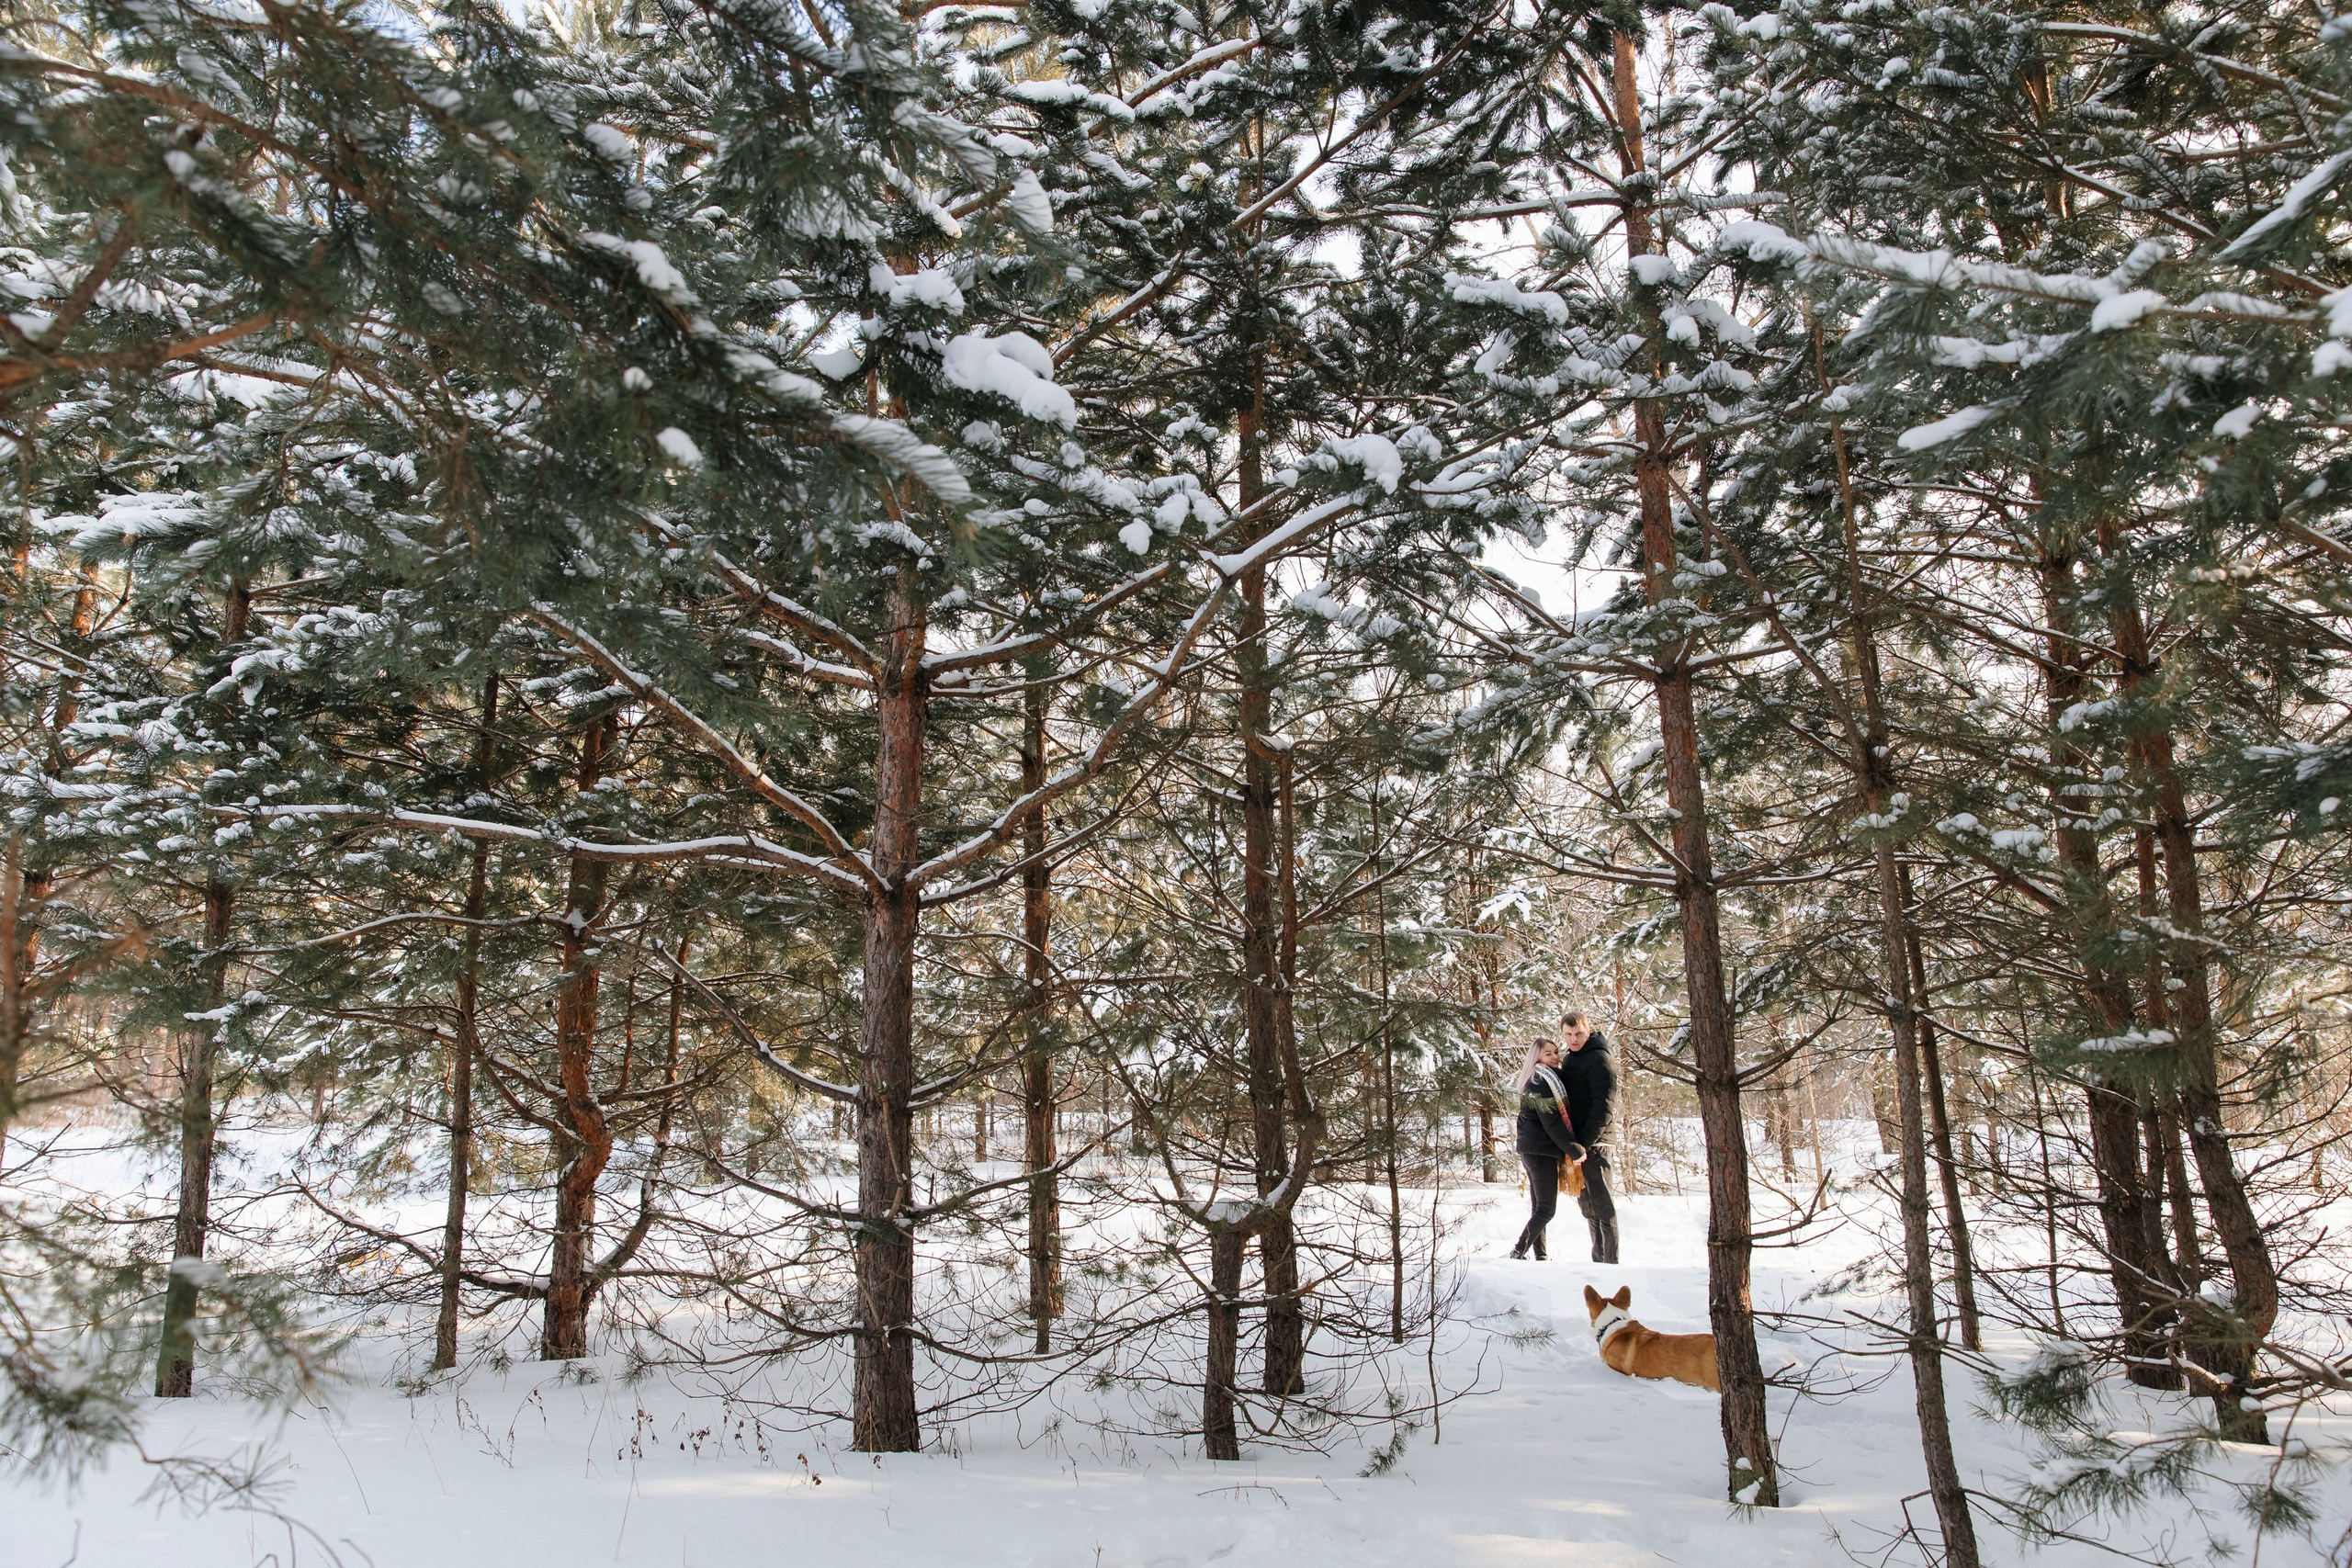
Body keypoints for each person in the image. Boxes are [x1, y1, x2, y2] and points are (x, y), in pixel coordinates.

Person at [1509, 1036, 1584, 1259]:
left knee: (1539, 1208)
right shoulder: (1541, 1082)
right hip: (1540, 1152)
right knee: (1546, 1209)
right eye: (1547, 1053)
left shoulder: (1543, 1079)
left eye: (1555, 1052)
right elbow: (1551, 1122)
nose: (1554, 1057)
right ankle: (1517, 1252)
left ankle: (1540, 1256)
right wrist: (1573, 1149)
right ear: (1537, 1057)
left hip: (1533, 1151)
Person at [1558, 1010, 1618, 1263]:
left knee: (1603, 1205)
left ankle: (1610, 1262)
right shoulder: (1571, 1059)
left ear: (1588, 1030)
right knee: (1588, 1206)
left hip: (1597, 1142)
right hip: (1578, 1146)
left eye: (1579, 1033)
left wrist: (1584, 1143)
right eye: (1569, 1034)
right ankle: (1598, 1260)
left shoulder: (1599, 1059)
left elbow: (1603, 1107)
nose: (1574, 1039)